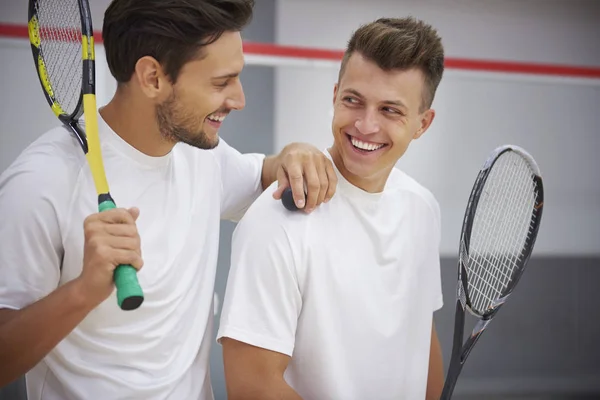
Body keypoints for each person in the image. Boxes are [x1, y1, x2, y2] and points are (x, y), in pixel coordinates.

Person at [0, 1, 337, 399]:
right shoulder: (39, 182)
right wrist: (83, 291)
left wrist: (296, 153)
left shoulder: (201, 155)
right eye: (221, 82)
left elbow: (269, 175)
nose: (239, 99)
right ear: (152, 77)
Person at [217, 16, 446, 400]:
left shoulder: (422, 208)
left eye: (390, 110)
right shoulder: (277, 218)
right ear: (335, 94)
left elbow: (421, 337)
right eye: (353, 101)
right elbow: (251, 386)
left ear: (423, 124)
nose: (366, 125)